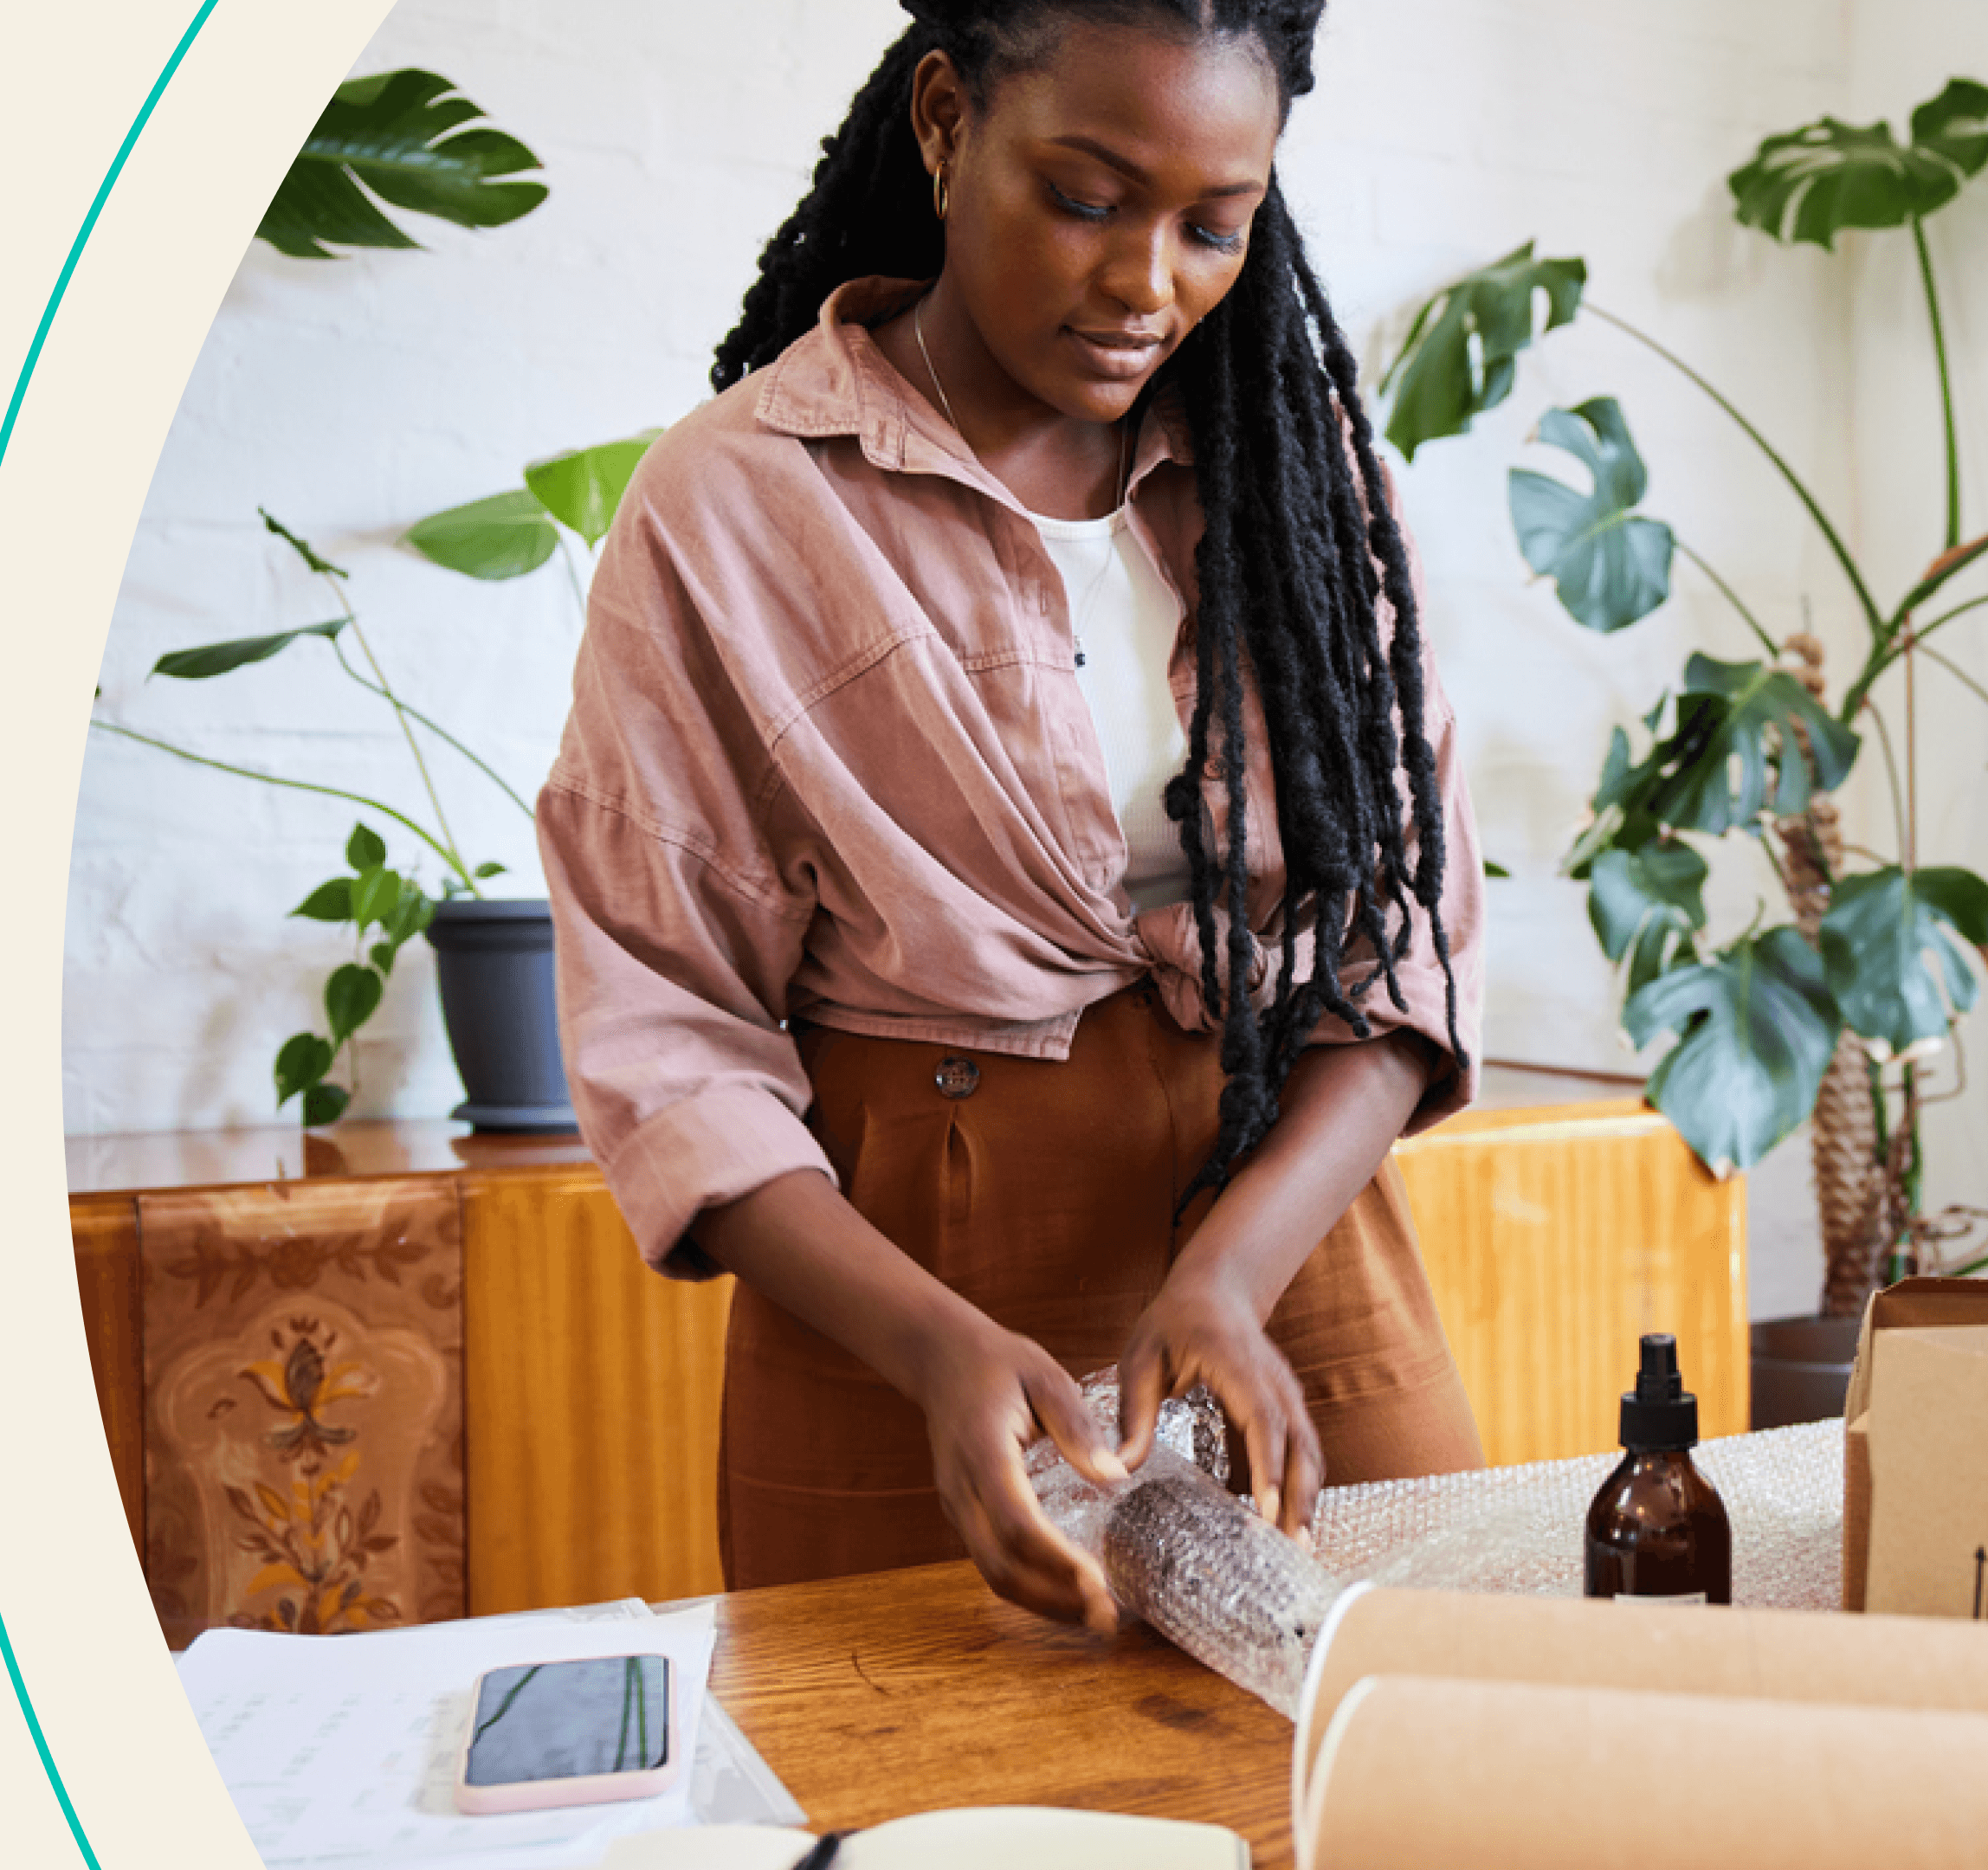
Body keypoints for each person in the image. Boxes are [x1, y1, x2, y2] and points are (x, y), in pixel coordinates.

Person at [539, 0, 1488, 1634]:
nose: (1148, 285)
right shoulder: (737, 502)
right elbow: (668, 1029)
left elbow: (1405, 949)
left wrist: (1229, 1276)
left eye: (1215, 224)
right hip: (903, 1306)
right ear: (941, 121)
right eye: (1087, 196)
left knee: (1370, 1775)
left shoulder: (1304, 483)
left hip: (1289, 1256)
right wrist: (930, 1346)